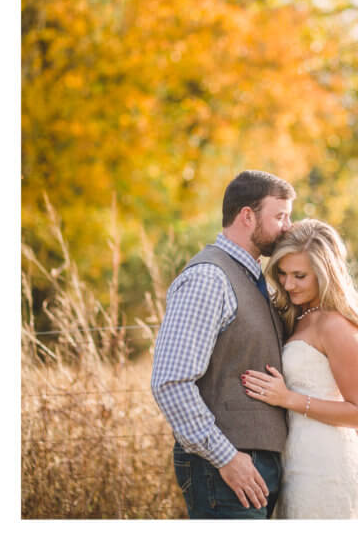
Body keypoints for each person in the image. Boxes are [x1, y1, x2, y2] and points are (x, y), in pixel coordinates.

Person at [151, 170, 295, 518]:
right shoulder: (209, 277)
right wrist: (226, 457)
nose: (288, 227)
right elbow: (170, 382)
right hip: (225, 466)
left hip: (256, 464)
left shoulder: (256, 279)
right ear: (247, 216)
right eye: (280, 216)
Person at [241, 218, 358, 519]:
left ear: (324, 273)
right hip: (294, 462)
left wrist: (288, 399)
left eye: (299, 276)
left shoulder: (336, 326)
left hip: (326, 468)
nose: (288, 284)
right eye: (283, 274)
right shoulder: (299, 316)